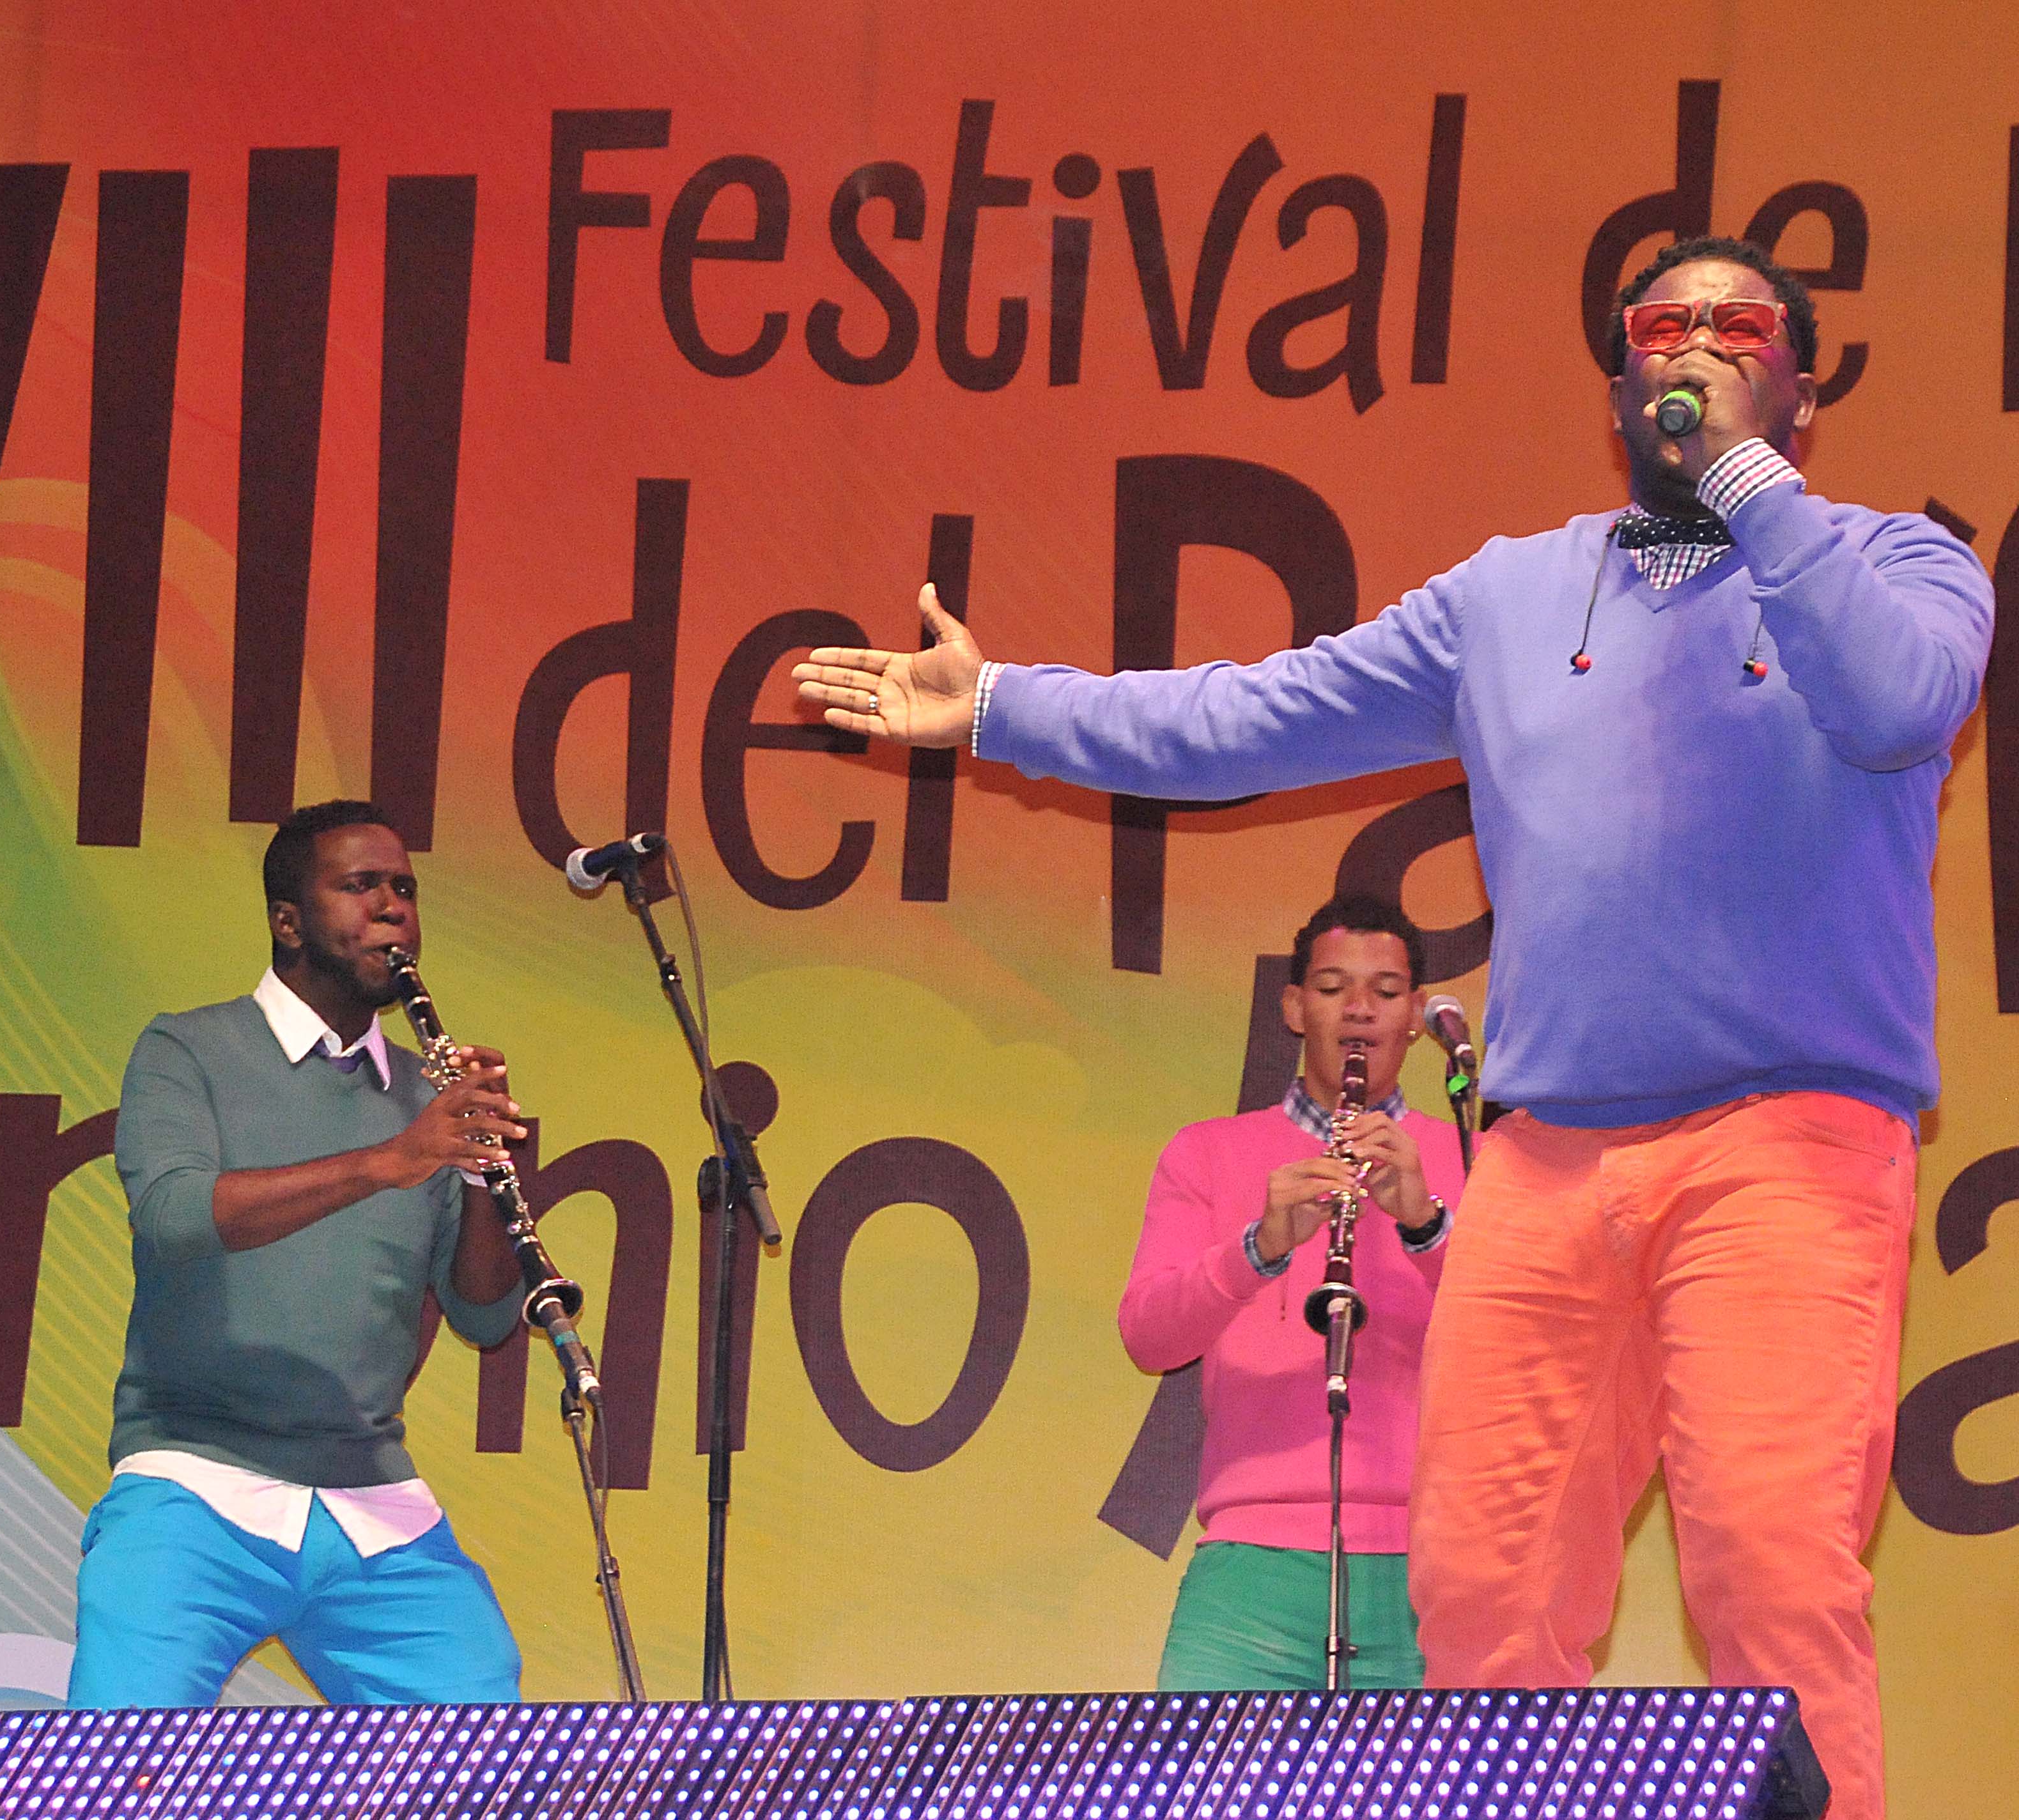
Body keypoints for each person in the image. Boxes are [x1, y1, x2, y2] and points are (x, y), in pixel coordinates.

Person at [794, 236, 1988, 1819]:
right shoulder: (1511, 595)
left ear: (1800, 389)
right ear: (1617, 383)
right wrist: (1005, 706)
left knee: (1767, 1564)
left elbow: (1900, 702)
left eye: (1736, 327)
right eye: (1660, 324)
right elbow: (1253, 711)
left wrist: (1751, 488)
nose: (1693, 344)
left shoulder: (1896, 563)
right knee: (1481, 1595)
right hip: (1548, 1162)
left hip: (1785, 1142)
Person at [66, 799, 528, 1708]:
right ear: (288, 922)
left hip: (369, 1497)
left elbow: (483, 1314)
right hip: (194, 1479)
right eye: (360, 886)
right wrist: (388, 1161)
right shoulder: (188, 1047)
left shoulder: (425, 1099)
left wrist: (481, 1170)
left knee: (484, 1744)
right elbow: (174, 1216)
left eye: (404, 889)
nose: (392, 908)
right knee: (116, 1757)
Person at [1120, 894, 1463, 1691]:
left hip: (1434, 1556)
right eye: (1333, 987)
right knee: (1201, 1766)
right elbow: (1147, 1335)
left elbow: (1525, 1348)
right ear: (1293, 1006)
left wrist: (1424, 1226)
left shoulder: (1471, 1156)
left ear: (1415, 1015)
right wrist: (1260, 1247)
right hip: (1251, 1562)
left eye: (1385, 991)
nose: (1359, 1008)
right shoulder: (1206, 1152)